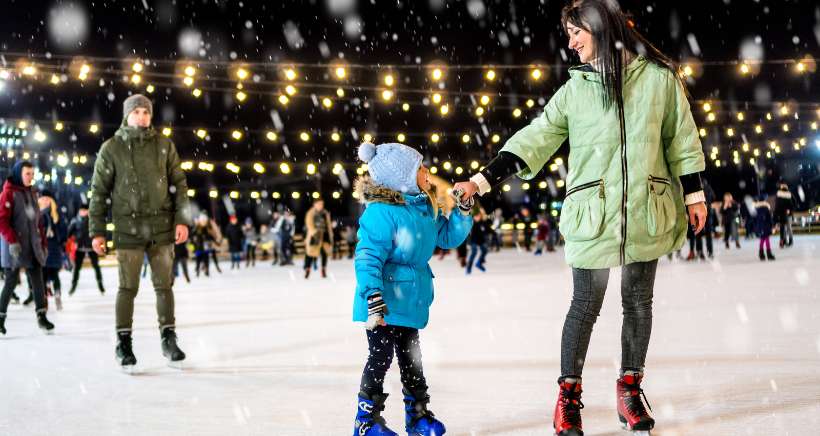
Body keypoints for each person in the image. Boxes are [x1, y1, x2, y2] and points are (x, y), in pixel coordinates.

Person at [453, 2, 708, 433]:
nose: (570, 43)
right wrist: (483, 179)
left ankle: (629, 390)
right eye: (569, 34)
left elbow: (681, 137)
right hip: (594, 214)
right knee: (585, 305)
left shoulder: (658, 81)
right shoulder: (575, 90)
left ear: (600, 28)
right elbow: (537, 137)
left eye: (576, 33)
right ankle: (568, 397)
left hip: (647, 208)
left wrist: (695, 193)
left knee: (638, 304)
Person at [351, 142, 472, 435]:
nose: (426, 171)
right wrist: (373, 296)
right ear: (402, 177)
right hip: (382, 303)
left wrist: (462, 210)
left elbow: (445, 237)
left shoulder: (421, 208)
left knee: (412, 359)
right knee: (380, 358)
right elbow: (367, 256)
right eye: (420, 167)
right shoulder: (380, 213)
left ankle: (417, 416)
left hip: (410, 302)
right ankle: (365, 423)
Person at [89, 94, 190, 370]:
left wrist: (182, 220)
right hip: (128, 228)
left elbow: (179, 185)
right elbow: (99, 192)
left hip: (161, 227)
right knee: (128, 287)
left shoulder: (164, 146)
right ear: (127, 115)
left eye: (146, 112)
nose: (142, 117)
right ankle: (124, 343)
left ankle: (168, 338)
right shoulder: (111, 148)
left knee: (164, 286)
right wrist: (97, 231)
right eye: (137, 112)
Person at [0, 161, 55, 335]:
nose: (31, 177)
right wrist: (12, 240)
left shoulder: (32, 192)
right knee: (10, 283)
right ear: (19, 174)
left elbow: (38, 222)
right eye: (27, 174)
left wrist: (43, 243)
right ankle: (0, 318)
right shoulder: (8, 193)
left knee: (38, 282)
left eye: (32, 173)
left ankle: (42, 316)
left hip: (33, 245)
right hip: (14, 246)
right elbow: (1, 221)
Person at [67, 204, 106, 295]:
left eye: (85, 211)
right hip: (80, 248)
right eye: (81, 211)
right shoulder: (75, 221)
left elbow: (98, 232)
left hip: (91, 247)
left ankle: (100, 284)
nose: (83, 212)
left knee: (96, 266)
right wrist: (73, 240)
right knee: (77, 268)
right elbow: (69, 233)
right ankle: (74, 285)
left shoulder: (93, 221)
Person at [39, 192, 67, 311]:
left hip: (54, 248)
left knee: (54, 274)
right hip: (41, 249)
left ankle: (57, 295)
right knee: (43, 276)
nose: (45, 201)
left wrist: (60, 240)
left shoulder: (56, 214)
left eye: (48, 199)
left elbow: (63, 230)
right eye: (43, 198)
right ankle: (44, 299)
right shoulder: (37, 213)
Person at [304, 198, 333, 278]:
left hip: (324, 235)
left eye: (322, 204)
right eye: (319, 204)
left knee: (324, 253)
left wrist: (330, 235)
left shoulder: (325, 213)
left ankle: (323, 270)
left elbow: (328, 225)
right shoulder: (311, 213)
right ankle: (307, 270)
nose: (321, 205)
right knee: (310, 254)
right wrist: (315, 233)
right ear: (315, 204)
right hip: (314, 236)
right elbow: (309, 224)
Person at [466, 208, 491, 273]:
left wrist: (493, 233)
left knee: (485, 250)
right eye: (476, 216)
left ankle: (479, 263)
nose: (478, 217)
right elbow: (468, 233)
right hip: (473, 240)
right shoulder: (471, 223)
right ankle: (468, 268)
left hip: (480, 240)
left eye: (479, 216)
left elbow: (488, 229)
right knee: (474, 252)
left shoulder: (482, 222)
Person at [773, 182, 794, 248]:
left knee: (784, 228)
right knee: (788, 228)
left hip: (782, 214)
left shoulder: (779, 195)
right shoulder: (789, 194)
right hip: (786, 214)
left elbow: (776, 205)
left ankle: (784, 241)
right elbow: (794, 204)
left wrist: (776, 214)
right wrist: (789, 209)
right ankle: (789, 240)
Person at [755, 196, 775, 261]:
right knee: (766, 240)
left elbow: (754, 219)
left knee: (762, 240)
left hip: (759, 227)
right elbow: (769, 218)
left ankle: (761, 254)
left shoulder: (756, 209)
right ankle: (769, 254)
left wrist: (755, 228)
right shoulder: (766, 208)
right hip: (766, 226)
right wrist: (772, 226)